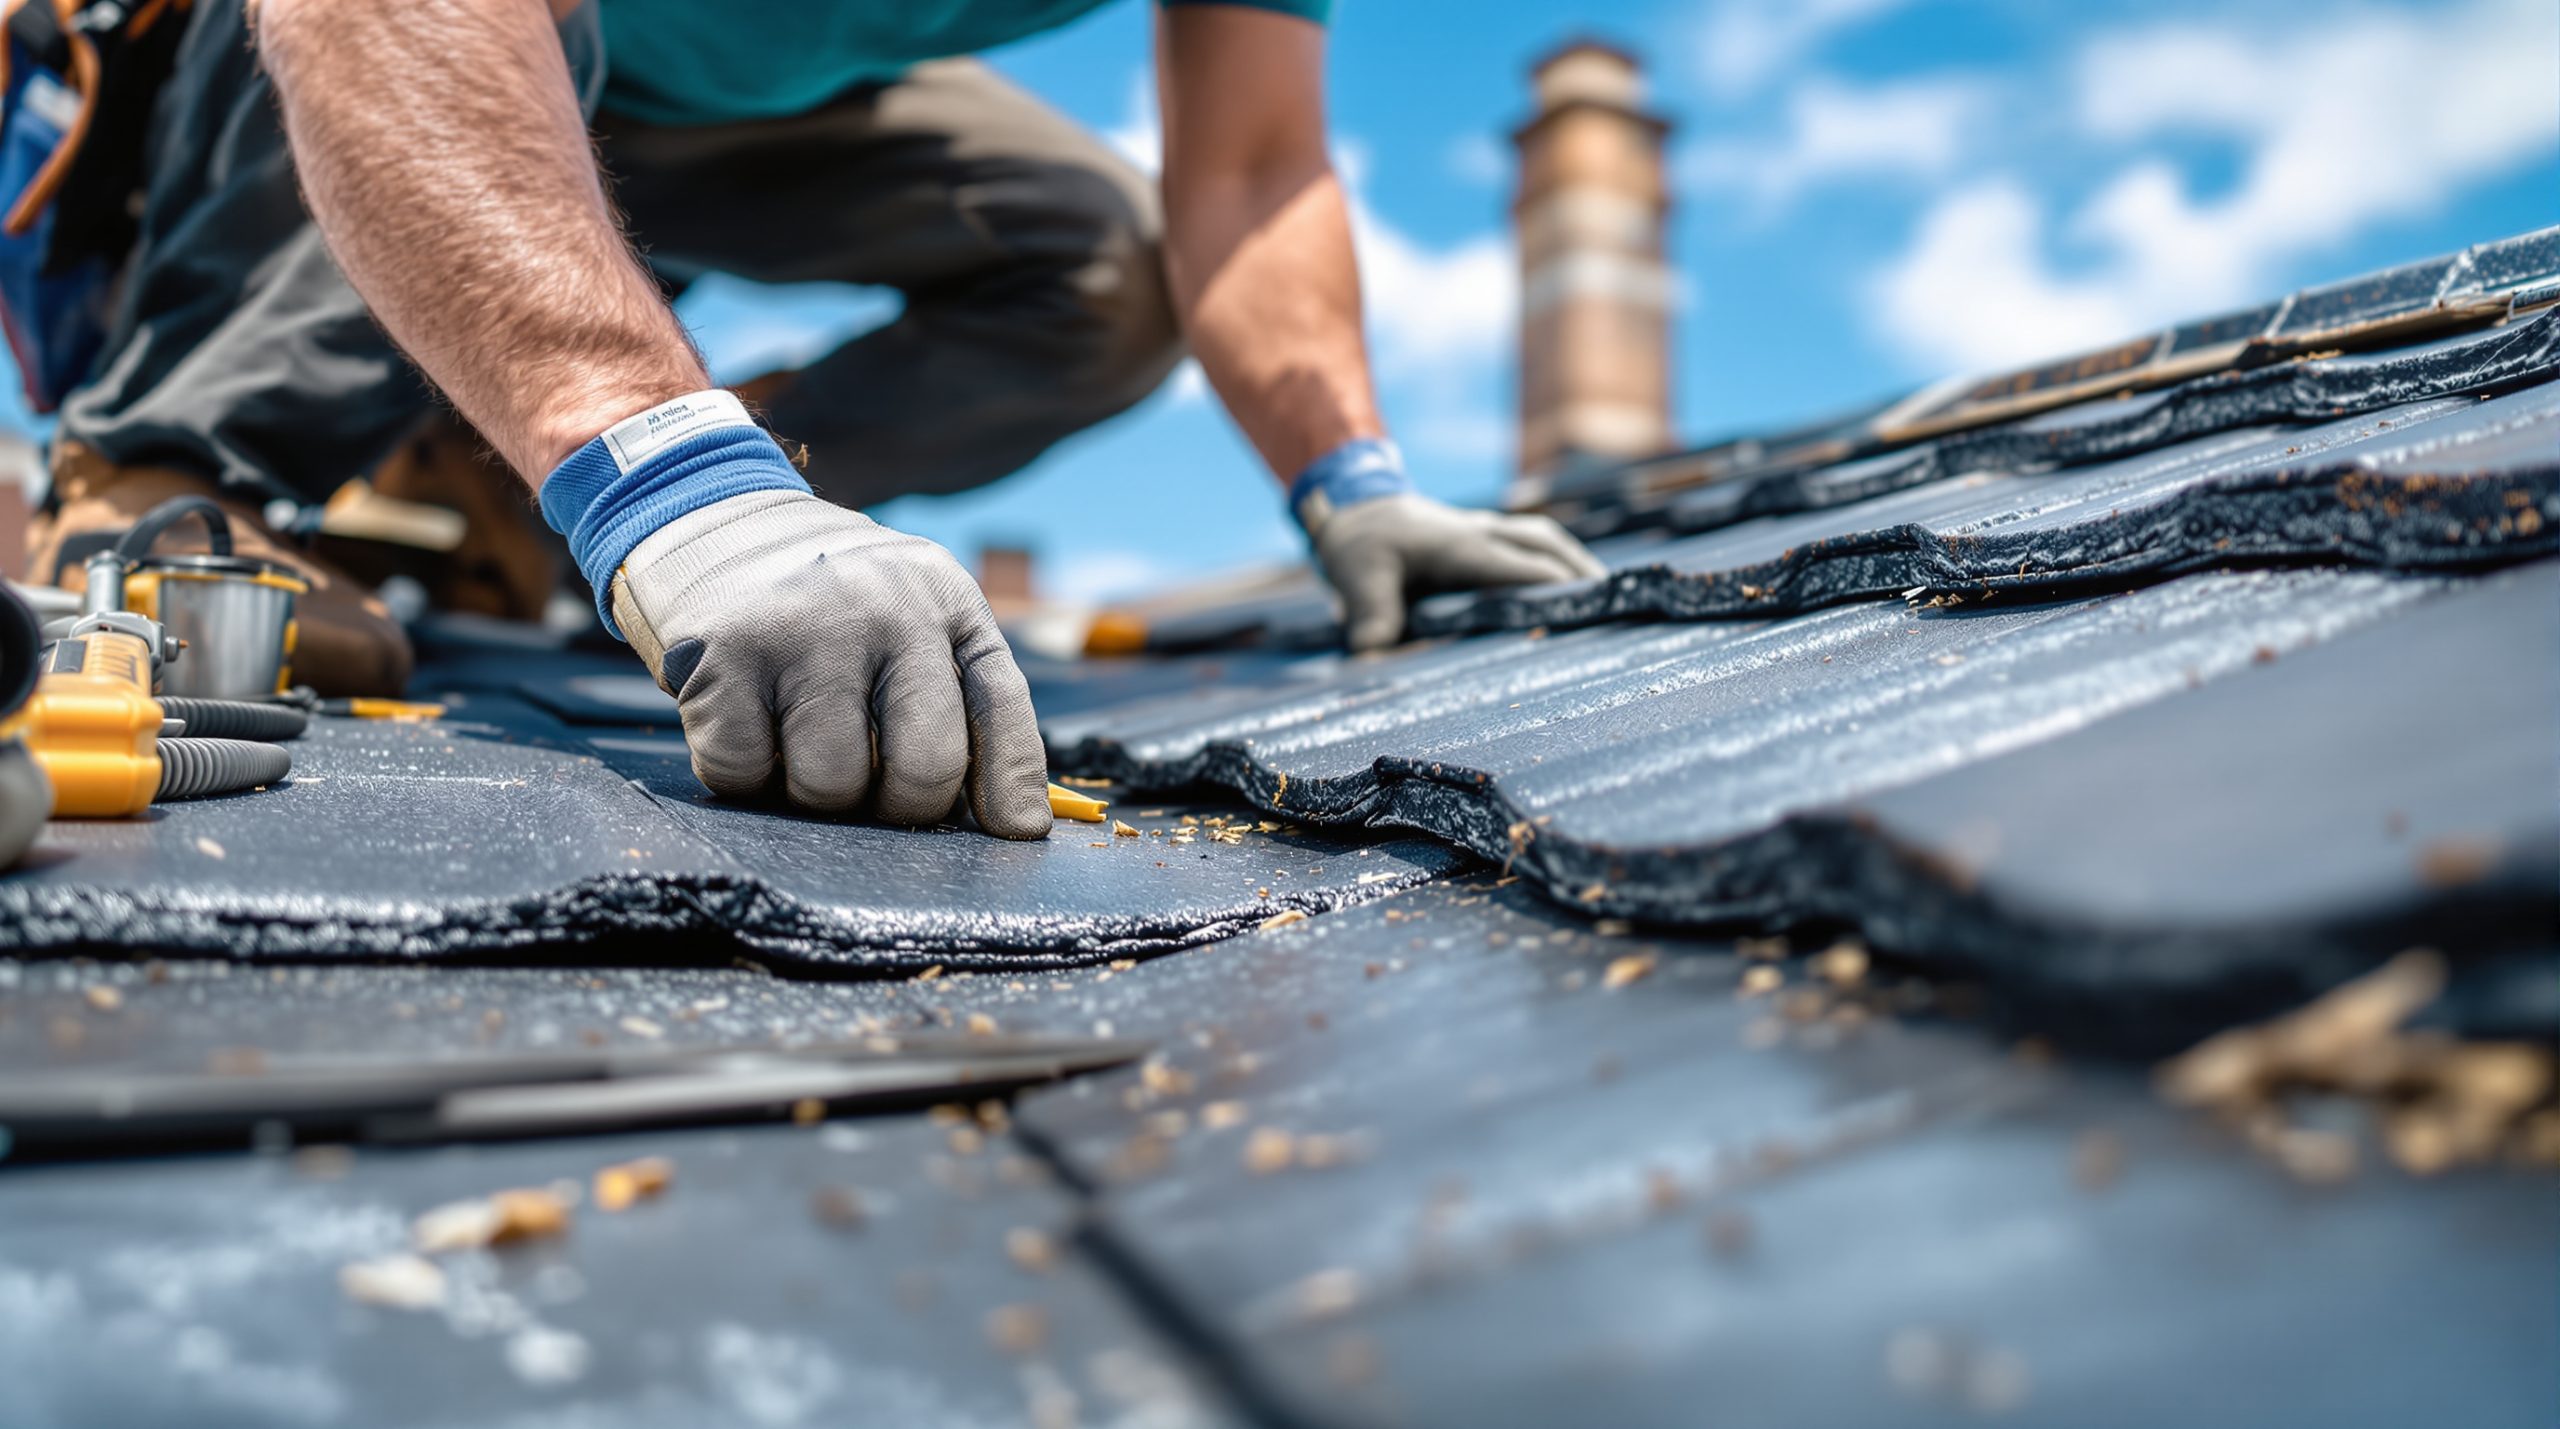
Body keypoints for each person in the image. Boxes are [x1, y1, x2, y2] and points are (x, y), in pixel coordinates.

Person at [24, 0, 1605, 838]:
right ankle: (159, 469)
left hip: (685, 100)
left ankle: (511, 494)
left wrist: (1350, 478)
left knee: (1105, 265)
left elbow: (1253, 176)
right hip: (313, 58)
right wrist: (668, 474)